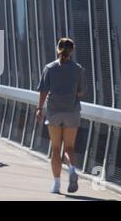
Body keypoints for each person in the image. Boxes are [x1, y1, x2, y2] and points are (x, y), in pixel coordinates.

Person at [36, 38, 86, 194]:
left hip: (54, 112)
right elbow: (81, 92)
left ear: (57, 49)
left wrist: (39, 108)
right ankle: (71, 169)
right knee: (69, 148)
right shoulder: (78, 69)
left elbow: (43, 90)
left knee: (56, 148)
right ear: (72, 50)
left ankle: (56, 185)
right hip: (72, 111)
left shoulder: (49, 68)